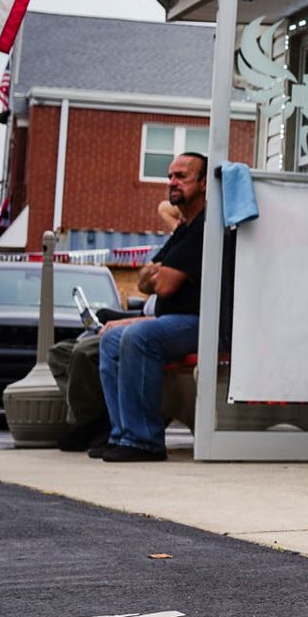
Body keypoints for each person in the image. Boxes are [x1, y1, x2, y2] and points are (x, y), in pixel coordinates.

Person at [95, 152, 208, 463]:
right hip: (172, 320)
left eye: (182, 176)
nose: (172, 182)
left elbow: (165, 284)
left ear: (203, 183)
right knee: (109, 338)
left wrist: (157, 274)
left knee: (140, 337)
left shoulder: (207, 228)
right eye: (170, 176)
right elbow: (146, 280)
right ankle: (123, 433)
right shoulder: (184, 229)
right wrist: (155, 274)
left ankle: (145, 440)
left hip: (205, 324)